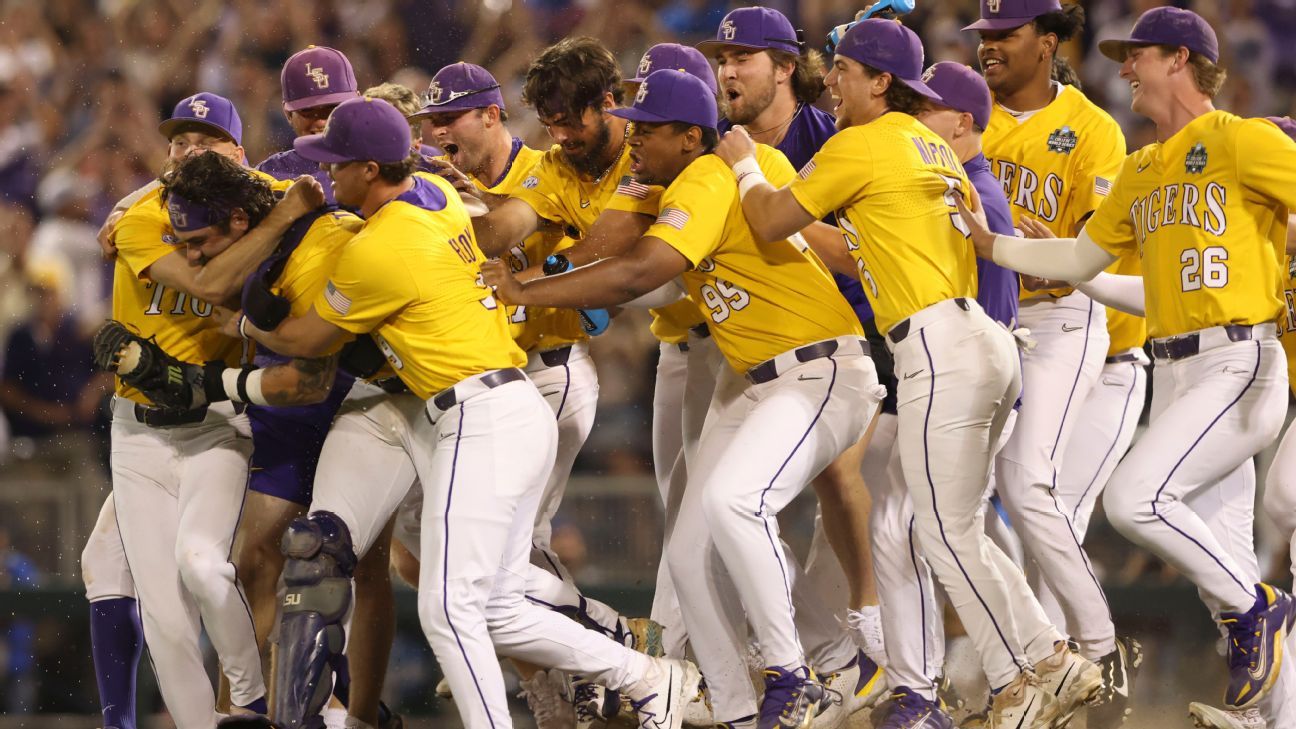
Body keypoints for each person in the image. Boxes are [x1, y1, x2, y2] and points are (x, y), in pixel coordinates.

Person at [236, 95, 699, 729]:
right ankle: (647, 677)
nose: (328, 177)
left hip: (479, 416)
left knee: (448, 611)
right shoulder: (430, 193)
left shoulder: (380, 247)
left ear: (370, 170)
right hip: (507, 406)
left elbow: (303, 342)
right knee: (497, 603)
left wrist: (247, 319)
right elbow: (442, 187)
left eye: (337, 164)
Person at [716, 18, 1099, 728]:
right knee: (953, 529)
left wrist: (745, 162)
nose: (831, 79)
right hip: (980, 339)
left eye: (845, 69)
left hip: (936, 348)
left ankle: (1018, 684)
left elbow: (769, 219)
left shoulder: (861, 144)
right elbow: (855, 248)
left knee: (942, 532)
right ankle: (1050, 656)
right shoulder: (927, 142)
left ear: (880, 82)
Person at [482, 67, 881, 729]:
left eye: (648, 130)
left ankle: (794, 673)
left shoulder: (705, 176)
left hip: (822, 369)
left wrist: (525, 288)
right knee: (689, 558)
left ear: (690, 134)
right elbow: (643, 274)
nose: (633, 141)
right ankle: (734, 709)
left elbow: (642, 271)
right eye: (633, 127)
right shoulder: (694, 176)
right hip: (754, 380)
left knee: (734, 503)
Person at [957, 6, 1296, 714]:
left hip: (1239, 361)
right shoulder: (1143, 167)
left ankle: (1259, 604)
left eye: (1136, 55)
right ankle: (1270, 712)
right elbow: (1082, 257)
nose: (1123, 69)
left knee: (1135, 497)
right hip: (1176, 372)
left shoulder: (1241, 140)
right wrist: (997, 247)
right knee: (1221, 559)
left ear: (1179, 58)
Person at [96, 91, 319, 728]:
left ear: (239, 156)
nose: (190, 152)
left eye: (206, 141)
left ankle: (248, 703)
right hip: (137, 433)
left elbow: (324, 195)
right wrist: (283, 217)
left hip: (218, 423)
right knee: (165, 618)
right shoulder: (142, 215)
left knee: (202, 564)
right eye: (179, 142)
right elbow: (207, 283)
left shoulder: (261, 198)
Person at [701, 9, 888, 697]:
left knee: (836, 476)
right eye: (723, 57)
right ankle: (815, 642)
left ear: (785, 68)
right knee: (742, 498)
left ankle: (868, 631)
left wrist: (774, 208)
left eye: (744, 57)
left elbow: (866, 256)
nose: (728, 70)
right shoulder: (721, 143)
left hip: (862, 326)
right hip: (769, 332)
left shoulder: (826, 136)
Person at [963, 2, 1139, 719]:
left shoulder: (1096, 130)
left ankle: (1098, 648)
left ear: (1048, 41)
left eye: (1005, 35)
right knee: (962, 502)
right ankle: (1041, 655)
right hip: (994, 320)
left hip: (1067, 318)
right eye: (984, 36)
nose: (989, 48)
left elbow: (1093, 258)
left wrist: (1033, 245)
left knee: (1030, 484)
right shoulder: (969, 113)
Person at [256, 45, 360, 203]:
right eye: (307, 112)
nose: (320, 121)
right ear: (288, 114)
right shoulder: (269, 175)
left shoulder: (388, 163)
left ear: (357, 104)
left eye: (333, 109)